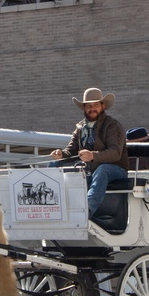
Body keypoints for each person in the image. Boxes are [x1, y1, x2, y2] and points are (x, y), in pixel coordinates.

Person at [51, 87, 129, 218]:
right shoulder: (81, 127)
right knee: (54, 165)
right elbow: (71, 151)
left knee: (103, 169)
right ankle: (52, 206)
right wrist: (61, 154)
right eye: (88, 106)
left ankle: (86, 212)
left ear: (103, 106)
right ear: (84, 108)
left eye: (96, 105)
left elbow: (115, 153)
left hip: (116, 169)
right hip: (90, 170)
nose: (92, 109)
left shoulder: (112, 126)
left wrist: (93, 156)